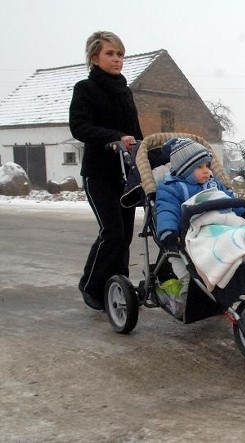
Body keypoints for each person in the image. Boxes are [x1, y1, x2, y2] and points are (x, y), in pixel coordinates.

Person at [69, 31, 143, 310]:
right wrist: (113, 137)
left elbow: (135, 133)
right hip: (98, 175)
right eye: (110, 54)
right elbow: (80, 127)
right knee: (111, 232)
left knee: (124, 235)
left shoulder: (126, 91)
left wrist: (148, 152)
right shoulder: (85, 89)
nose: (117, 59)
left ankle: (118, 284)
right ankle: (92, 286)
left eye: (120, 54)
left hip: (126, 176)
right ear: (94, 58)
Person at [155, 137, 245, 304]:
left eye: (207, 166)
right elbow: (167, 209)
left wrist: (243, 212)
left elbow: (228, 199)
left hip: (217, 230)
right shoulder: (171, 188)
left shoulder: (214, 184)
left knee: (231, 248)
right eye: (199, 167)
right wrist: (168, 230)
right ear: (184, 170)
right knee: (176, 258)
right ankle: (187, 283)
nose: (206, 171)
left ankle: (224, 282)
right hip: (188, 235)